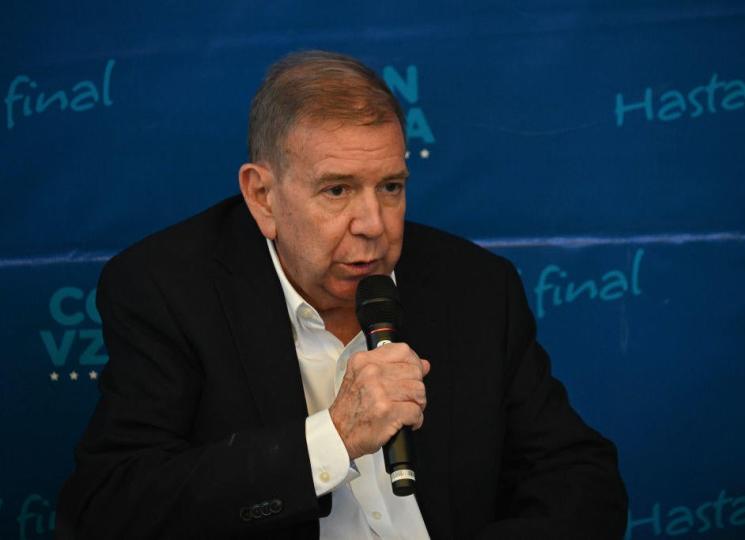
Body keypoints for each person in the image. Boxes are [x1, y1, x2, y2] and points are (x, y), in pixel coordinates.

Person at [56, 50, 627, 539]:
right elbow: (109, 507)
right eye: (337, 190)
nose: (373, 224)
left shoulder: (474, 286)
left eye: (391, 187)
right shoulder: (167, 289)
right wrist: (332, 439)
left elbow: (580, 476)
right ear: (263, 197)